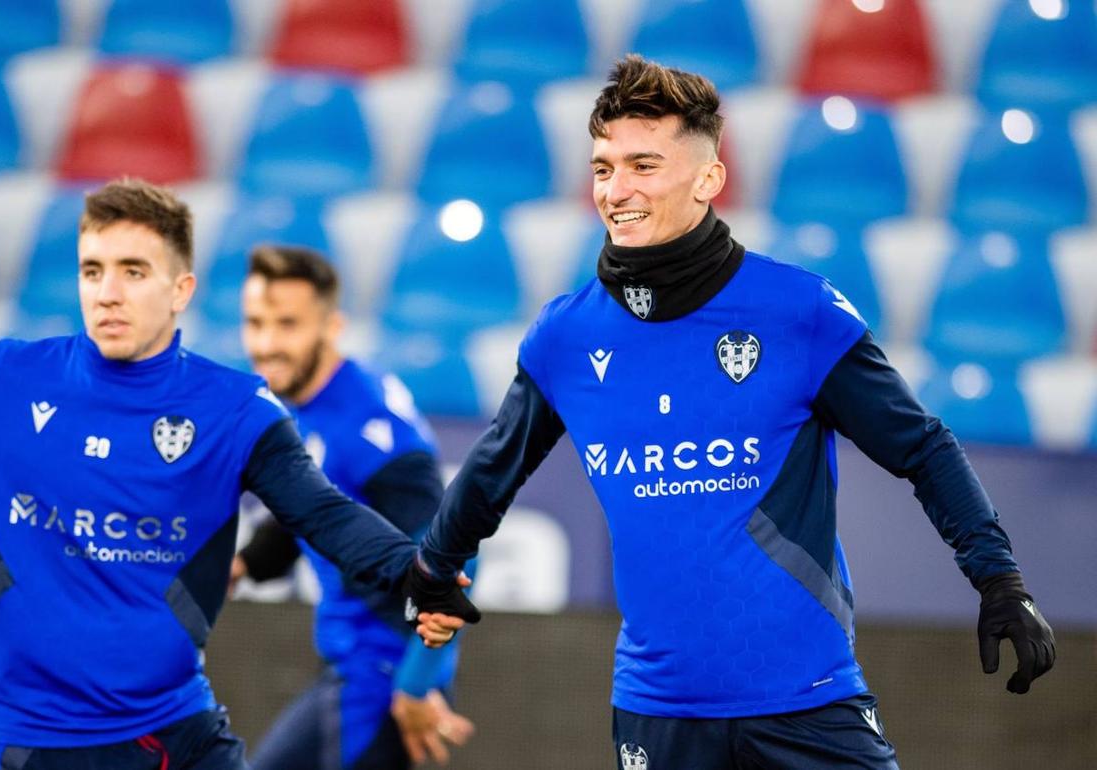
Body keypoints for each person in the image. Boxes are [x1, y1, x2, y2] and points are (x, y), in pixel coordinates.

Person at [410, 55, 1056, 769]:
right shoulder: (566, 335)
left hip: (809, 704)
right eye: (603, 168)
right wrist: (434, 571)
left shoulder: (799, 312)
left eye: (643, 166)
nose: (615, 191)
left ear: (709, 179)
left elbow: (924, 449)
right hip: (656, 717)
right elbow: (494, 468)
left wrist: (1000, 582)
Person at [0, 179, 467, 770]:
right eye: (93, 270)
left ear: (180, 289)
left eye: (133, 271)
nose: (106, 292)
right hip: (37, 735)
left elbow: (324, 514)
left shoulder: (239, 411)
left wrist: (420, 575)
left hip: (176, 722)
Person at [228, 245, 475, 769]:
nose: (267, 344)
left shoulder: (372, 429)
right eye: (255, 323)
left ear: (330, 326)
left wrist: (414, 687)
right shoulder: (307, 408)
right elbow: (312, 507)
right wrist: (245, 563)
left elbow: (454, 560)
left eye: (288, 325)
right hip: (348, 673)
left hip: (384, 680)